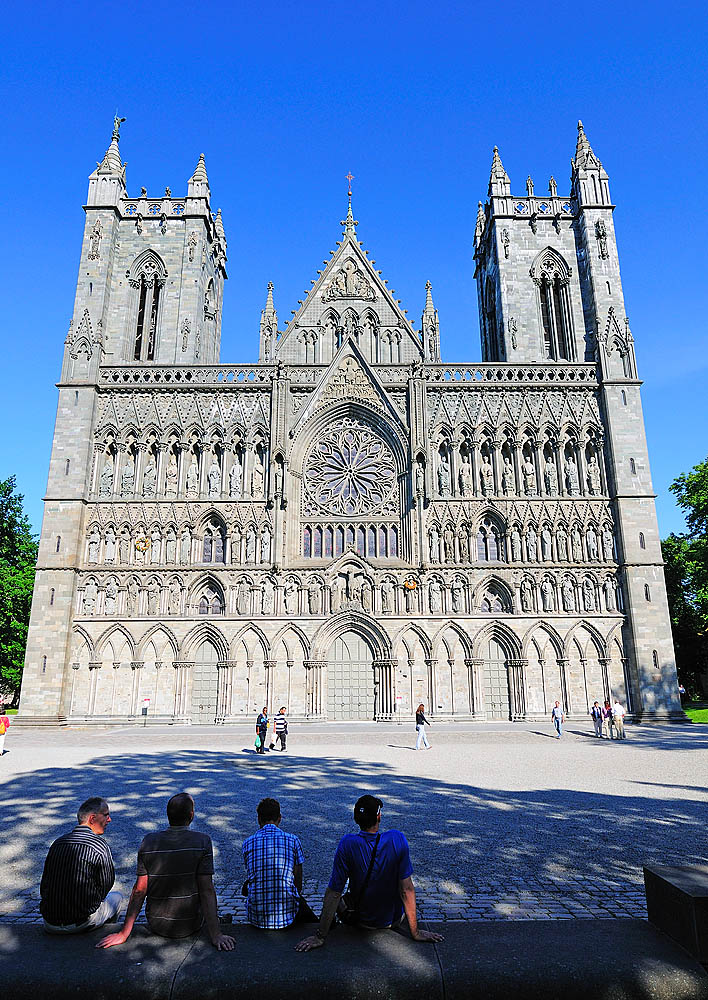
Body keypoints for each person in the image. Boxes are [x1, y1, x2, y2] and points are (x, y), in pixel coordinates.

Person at [295, 794, 444, 951]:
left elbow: (334, 893)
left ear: (356, 819)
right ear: (379, 816)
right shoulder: (397, 839)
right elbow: (406, 889)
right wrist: (415, 932)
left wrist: (320, 936)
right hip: (393, 919)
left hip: (362, 920)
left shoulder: (347, 844)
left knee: (336, 893)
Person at [96, 792, 234, 951]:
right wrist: (216, 934)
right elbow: (207, 890)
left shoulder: (148, 841)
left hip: (157, 923)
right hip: (191, 923)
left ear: (168, 815)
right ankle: (218, 921)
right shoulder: (202, 841)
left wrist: (124, 932)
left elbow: (140, 890)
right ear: (191, 815)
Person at [40, 797, 122, 934]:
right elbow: (107, 883)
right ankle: (103, 935)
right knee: (117, 898)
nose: (109, 820)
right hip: (81, 922)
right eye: (106, 815)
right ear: (92, 819)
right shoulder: (99, 845)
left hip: (50, 923)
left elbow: (45, 884)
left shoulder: (58, 843)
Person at [242, 798, 315, 929]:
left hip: (257, 917)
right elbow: (298, 881)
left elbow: (251, 872)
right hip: (287, 916)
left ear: (259, 819)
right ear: (279, 818)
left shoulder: (248, 843)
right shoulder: (293, 840)